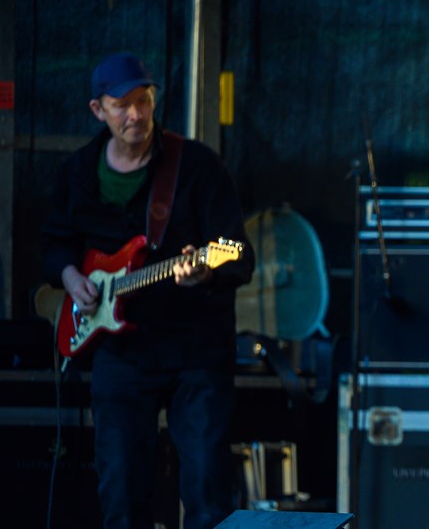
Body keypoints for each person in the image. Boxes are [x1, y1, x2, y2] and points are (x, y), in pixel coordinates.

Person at [40, 52, 254, 528]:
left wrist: (207, 271)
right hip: (120, 351)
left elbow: (240, 253)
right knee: (121, 493)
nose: (135, 114)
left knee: (206, 493)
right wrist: (73, 278)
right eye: (122, 105)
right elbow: (54, 245)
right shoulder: (77, 172)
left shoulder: (197, 166)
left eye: (144, 101)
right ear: (98, 110)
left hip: (195, 352)